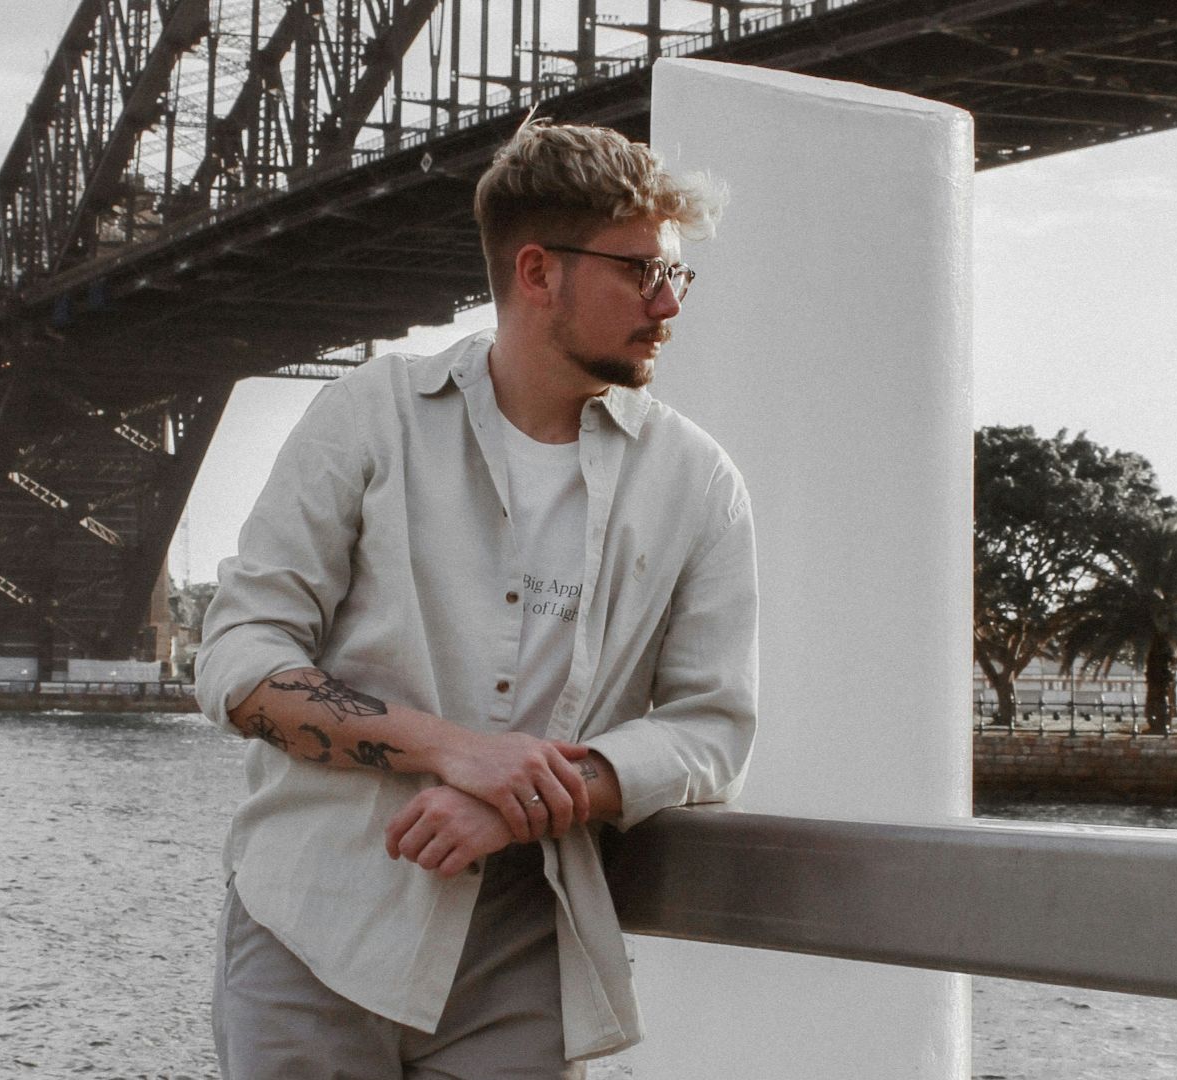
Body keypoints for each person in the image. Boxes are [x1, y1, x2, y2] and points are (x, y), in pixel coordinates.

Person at [196, 117, 757, 1077]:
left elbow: (714, 730)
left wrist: (518, 802)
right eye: (640, 272)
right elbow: (240, 661)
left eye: (678, 275)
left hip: (526, 946)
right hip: (316, 924)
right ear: (538, 273)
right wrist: (459, 753)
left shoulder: (699, 484)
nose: (669, 304)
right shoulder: (370, 416)